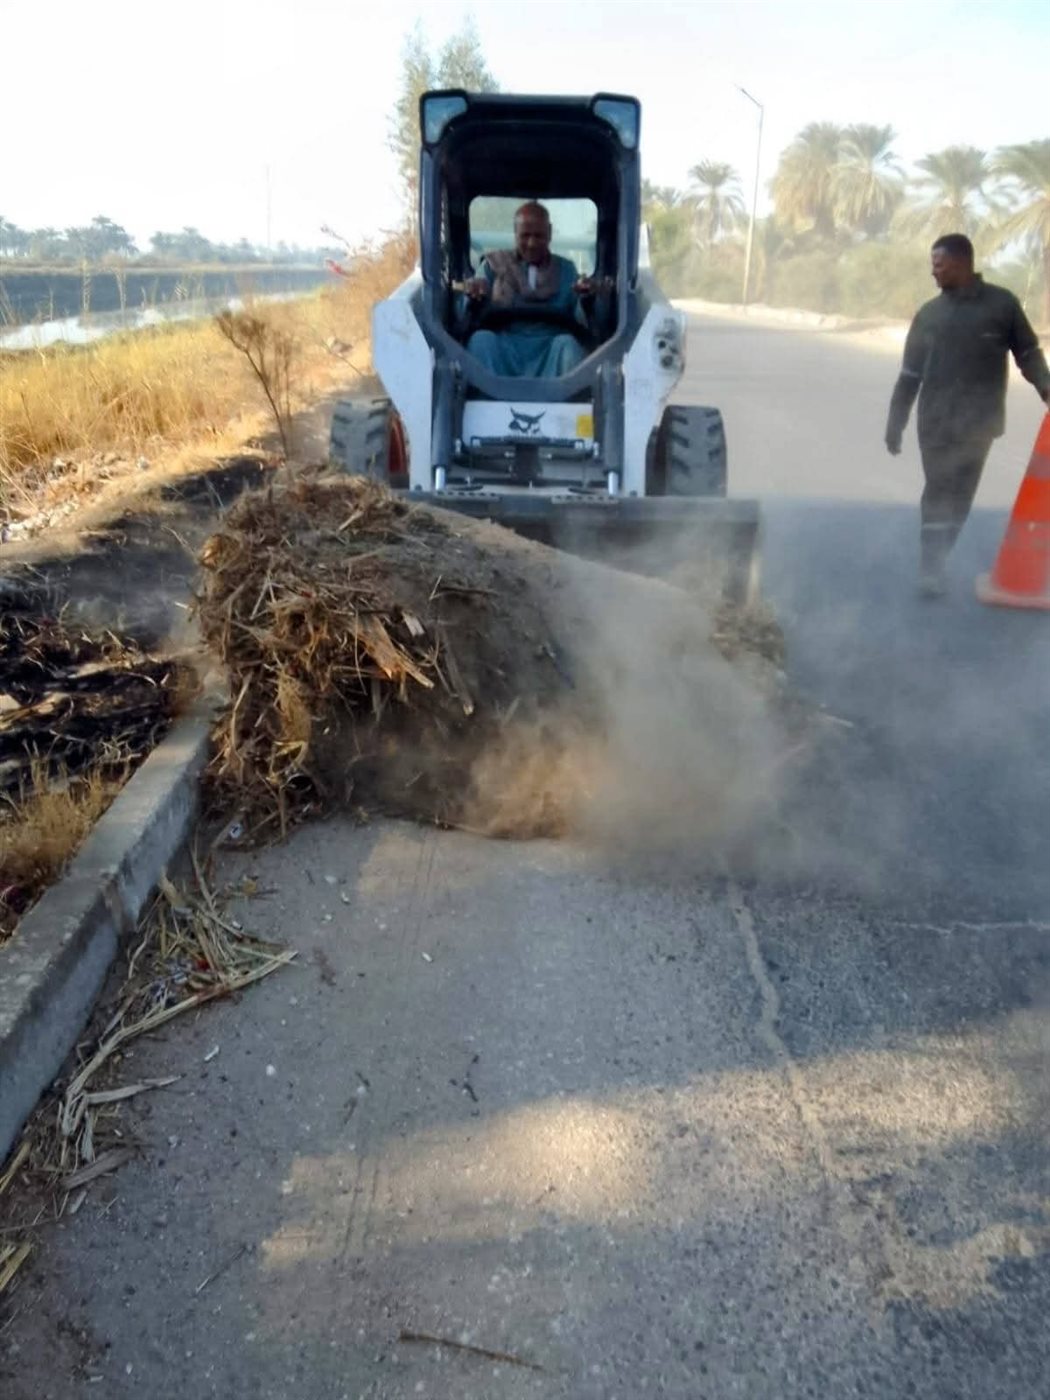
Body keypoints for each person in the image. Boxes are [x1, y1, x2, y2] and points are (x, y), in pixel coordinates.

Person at [885, 232, 1050, 597]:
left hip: (980, 424)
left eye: (939, 266)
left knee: (960, 498)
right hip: (937, 422)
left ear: (961, 264)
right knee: (938, 491)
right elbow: (910, 374)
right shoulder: (929, 315)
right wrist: (895, 422)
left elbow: (1028, 353)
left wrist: (1046, 387)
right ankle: (930, 569)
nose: (934, 273)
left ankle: (939, 560)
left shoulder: (1002, 305)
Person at [463, 202, 598, 378]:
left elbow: (581, 319)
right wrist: (473, 293)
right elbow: (467, 309)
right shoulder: (492, 266)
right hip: (505, 346)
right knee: (480, 341)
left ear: (549, 233)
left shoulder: (567, 269)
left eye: (539, 236)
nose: (532, 243)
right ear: (515, 233)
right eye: (525, 235)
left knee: (569, 345)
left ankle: (565, 403)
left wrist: (586, 298)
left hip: (550, 348)